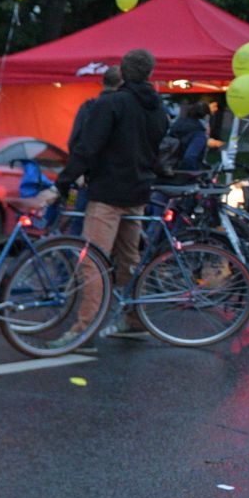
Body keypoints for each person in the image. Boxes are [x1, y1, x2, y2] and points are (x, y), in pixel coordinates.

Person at [57, 49, 168, 337]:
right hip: (139, 193)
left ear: (123, 71)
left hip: (107, 193)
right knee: (129, 259)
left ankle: (85, 328)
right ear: (150, 73)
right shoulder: (157, 109)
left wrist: (66, 179)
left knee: (93, 260)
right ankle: (135, 319)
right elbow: (157, 149)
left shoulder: (113, 104)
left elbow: (88, 146)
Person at [162, 101, 210, 178]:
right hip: (185, 175)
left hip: (167, 170)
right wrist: (194, 173)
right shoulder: (198, 134)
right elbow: (190, 157)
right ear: (205, 116)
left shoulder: (176, 125)